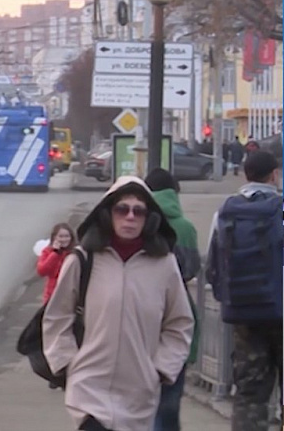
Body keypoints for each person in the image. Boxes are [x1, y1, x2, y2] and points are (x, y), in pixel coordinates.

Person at [43, 176, 194, 431]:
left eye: (139, 211)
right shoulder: (82, 260)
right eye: (122, 209)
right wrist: (68, 363)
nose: (130, 217)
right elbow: (57, 316)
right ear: (107, 214)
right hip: (89, 388)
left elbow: (179, 323)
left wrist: (160, 370)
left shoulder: (164, 265)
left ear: (150, 219)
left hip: (139, 392)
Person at [206, 150, 283, 431]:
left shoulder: (225, 212)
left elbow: (213, 266)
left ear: (244, 174)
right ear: (274, 175)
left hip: (245, 315)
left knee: (250, 396)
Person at [143, 168, 201, 431]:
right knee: (169, 398)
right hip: (176, 314)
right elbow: (191, 270)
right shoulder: (185, 227)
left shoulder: (136, 222)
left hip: (140, 313)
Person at [36, 223, 76, 305]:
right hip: (52, 296)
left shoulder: (76, 252)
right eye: (61, 236)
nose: (64, 239)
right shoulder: (48, 251)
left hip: (71, 296)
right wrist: (55, 254)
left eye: (67, 236)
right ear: (54, 237)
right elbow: (42, 271)